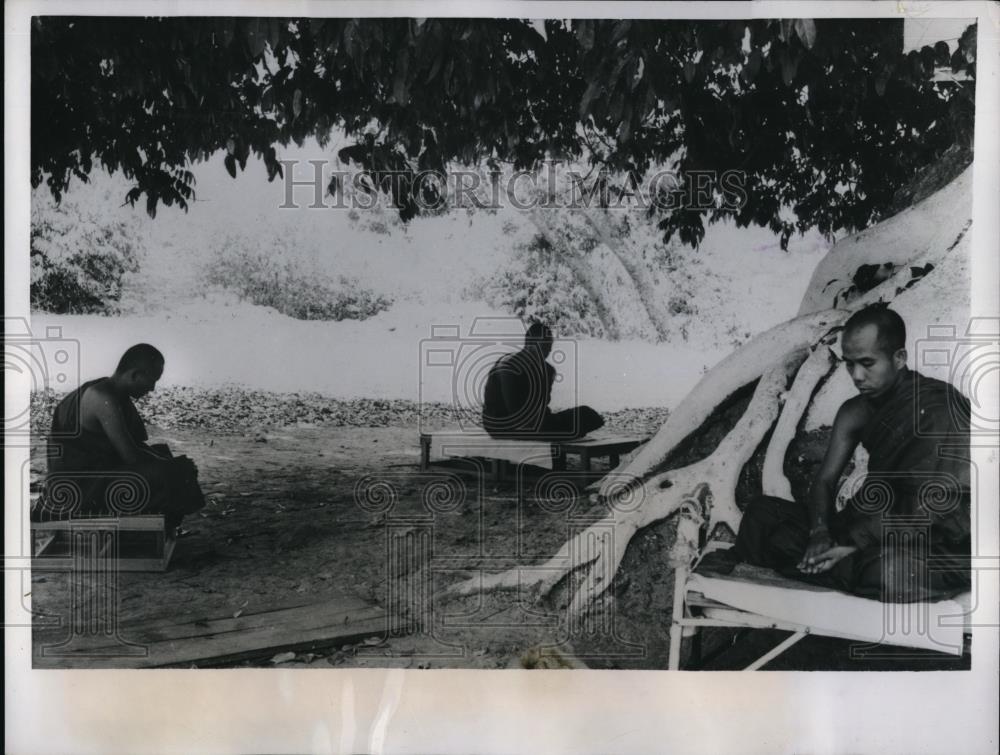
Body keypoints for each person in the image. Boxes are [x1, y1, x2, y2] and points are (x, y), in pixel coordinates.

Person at [730, 305, 970, 602]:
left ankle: (832, 566)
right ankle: (834, 566)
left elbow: (938, 503)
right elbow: (825, 481)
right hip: (867, 525)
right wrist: (820, 531)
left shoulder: (939, 407)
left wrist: (852, 545)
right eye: (849, 364)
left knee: (889, 571)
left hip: (931, 538)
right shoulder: (854, 412)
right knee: (762, 515)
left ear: (899, 358)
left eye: (867, 363)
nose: (857, 376)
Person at [37, 344, 205, 531]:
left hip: (95, 473)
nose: (152, 388)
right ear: (135, 375)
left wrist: (166, 462)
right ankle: (154, 529)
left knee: (164, 454)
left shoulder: (112, 391)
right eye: (152, 380)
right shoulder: (102, 398)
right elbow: (131, 457)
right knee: (174, 473)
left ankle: (161, 521)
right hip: (79, 488)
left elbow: (135, 445)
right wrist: (172, 467)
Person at [481, 322, 605, 441]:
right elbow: (514, 409)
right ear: (530, 344)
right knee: (571, 424)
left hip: (536, 422)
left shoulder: (547, 370)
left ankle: (557, 432)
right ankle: (558, 433)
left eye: (549, 347)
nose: (548, 351)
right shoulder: (509, 366)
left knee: (587, 414)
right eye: (544, 346)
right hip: (503, 425)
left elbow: (543, 405)